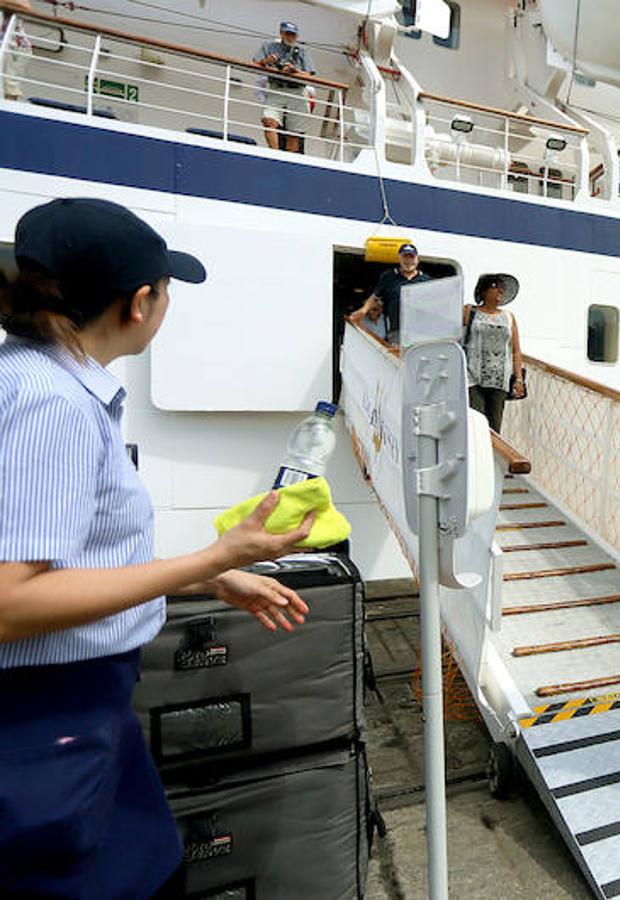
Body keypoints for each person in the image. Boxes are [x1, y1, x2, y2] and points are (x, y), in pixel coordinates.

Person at [0, 197, 316, 895]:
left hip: (74, 712)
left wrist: (200, 584)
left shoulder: (33, 379)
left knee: (150, 866)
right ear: (139, 303)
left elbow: (75, 560)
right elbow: (9, 602)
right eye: (166, 288)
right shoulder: (53, 402)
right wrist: (214, 558)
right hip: (46, 716)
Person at [462, 272, 524, 433]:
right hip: (472, 377)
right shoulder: (469, 311)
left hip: (500, 381)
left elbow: (516, 350)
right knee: (477, 423)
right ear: (484, 291)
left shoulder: (509, 317)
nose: (500, 292)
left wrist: (518, 379)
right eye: (496, 287)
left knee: (495, 428)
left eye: (502, 289)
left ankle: (492, 458)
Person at [348, 242, 431, 344]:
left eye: (411, 257)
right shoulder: (388, 277)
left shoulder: (426, 280)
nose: (408, 261)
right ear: (399, 259)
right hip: (397, 332)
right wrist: (363, 311)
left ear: (417, 259)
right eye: (405, 257)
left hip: (420, 332)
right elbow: (375, 296)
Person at [253, 21, 314, 153]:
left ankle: (287, 162)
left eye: (293, 34)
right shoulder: (269, 46)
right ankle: (275, 155)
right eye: (288, 33)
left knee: (294, 133)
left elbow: (309, 75)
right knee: (269, 121)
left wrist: (294, 70)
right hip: (277, 89)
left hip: (297, 91)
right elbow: (256, 63)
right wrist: (266, 61)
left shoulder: (303, 51)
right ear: (281, 33)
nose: (290, 36)